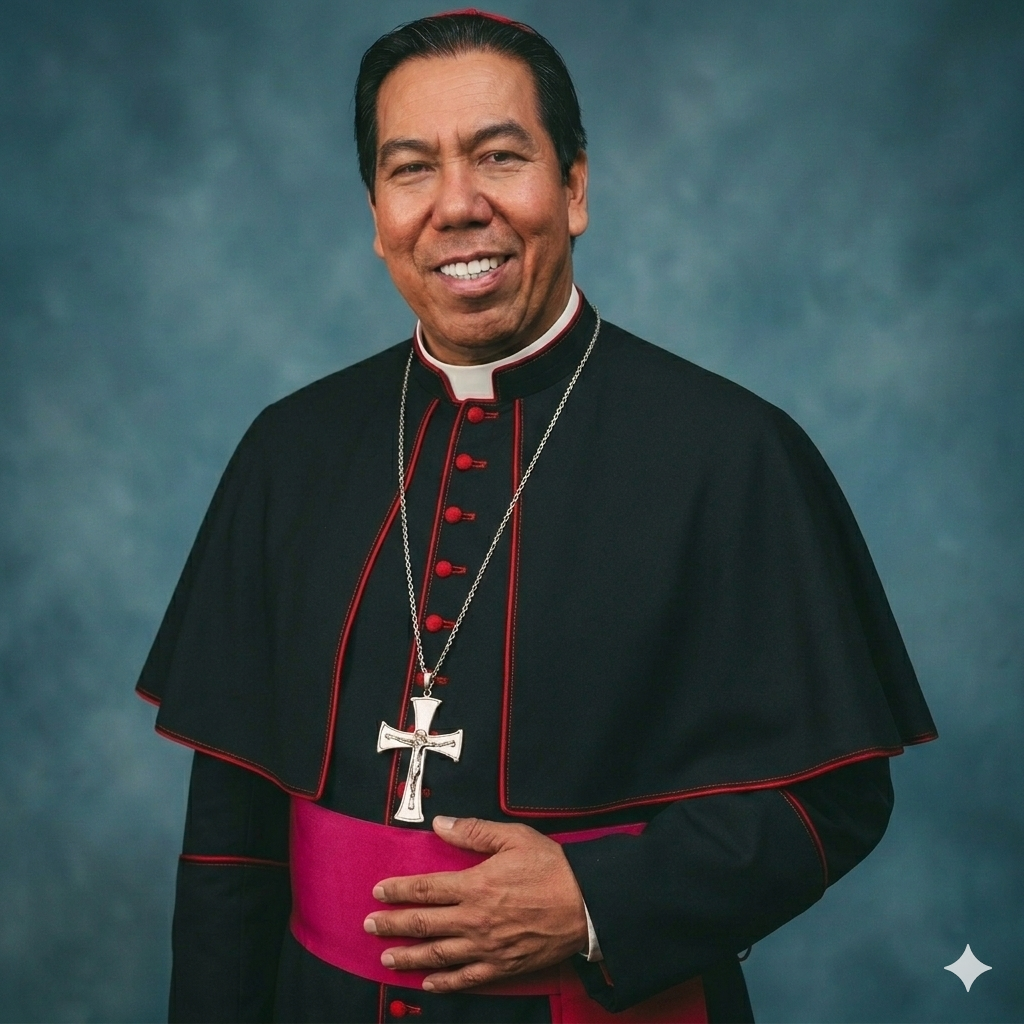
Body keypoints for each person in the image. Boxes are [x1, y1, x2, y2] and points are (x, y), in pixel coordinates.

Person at [136, 10, 937, 1024]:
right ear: (376, 209)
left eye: (499, 156)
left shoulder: (730, 451)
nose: (457, 206)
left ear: (575, 186)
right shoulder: (289, 449)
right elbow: (228, 836)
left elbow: (838, 799)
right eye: (411, 168)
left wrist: (599, 901)